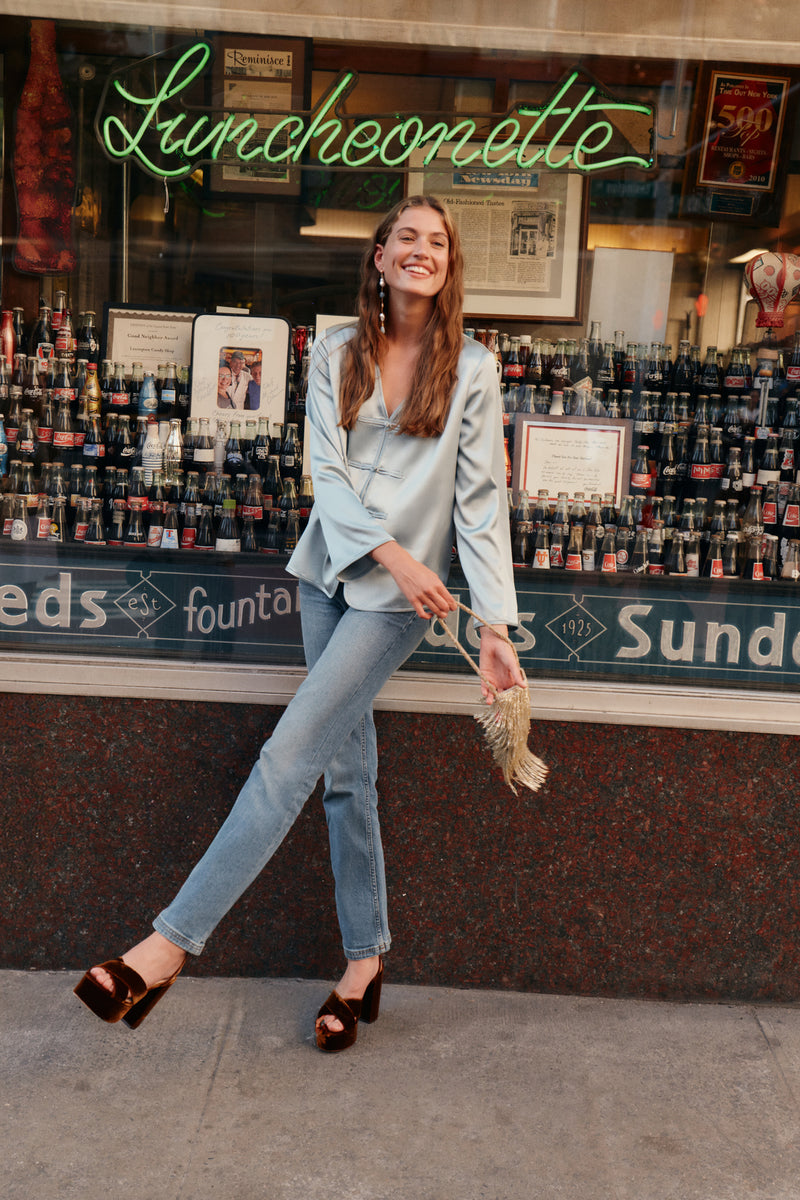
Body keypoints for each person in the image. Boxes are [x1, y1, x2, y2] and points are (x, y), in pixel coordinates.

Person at [73, 194, 524, 1051]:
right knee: (346, 773)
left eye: (438, 242)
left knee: (287, 759)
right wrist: (392, 551)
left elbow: (479, 501)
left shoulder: (472, 366)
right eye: (407, 239)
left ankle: (165, 949)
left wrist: (495, 625)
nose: (422, 251)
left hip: (398, 605)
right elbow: (326, 470)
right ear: (381, 258)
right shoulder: (335, 351)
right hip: (333, 575)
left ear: (448, 263)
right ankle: (364, 965)